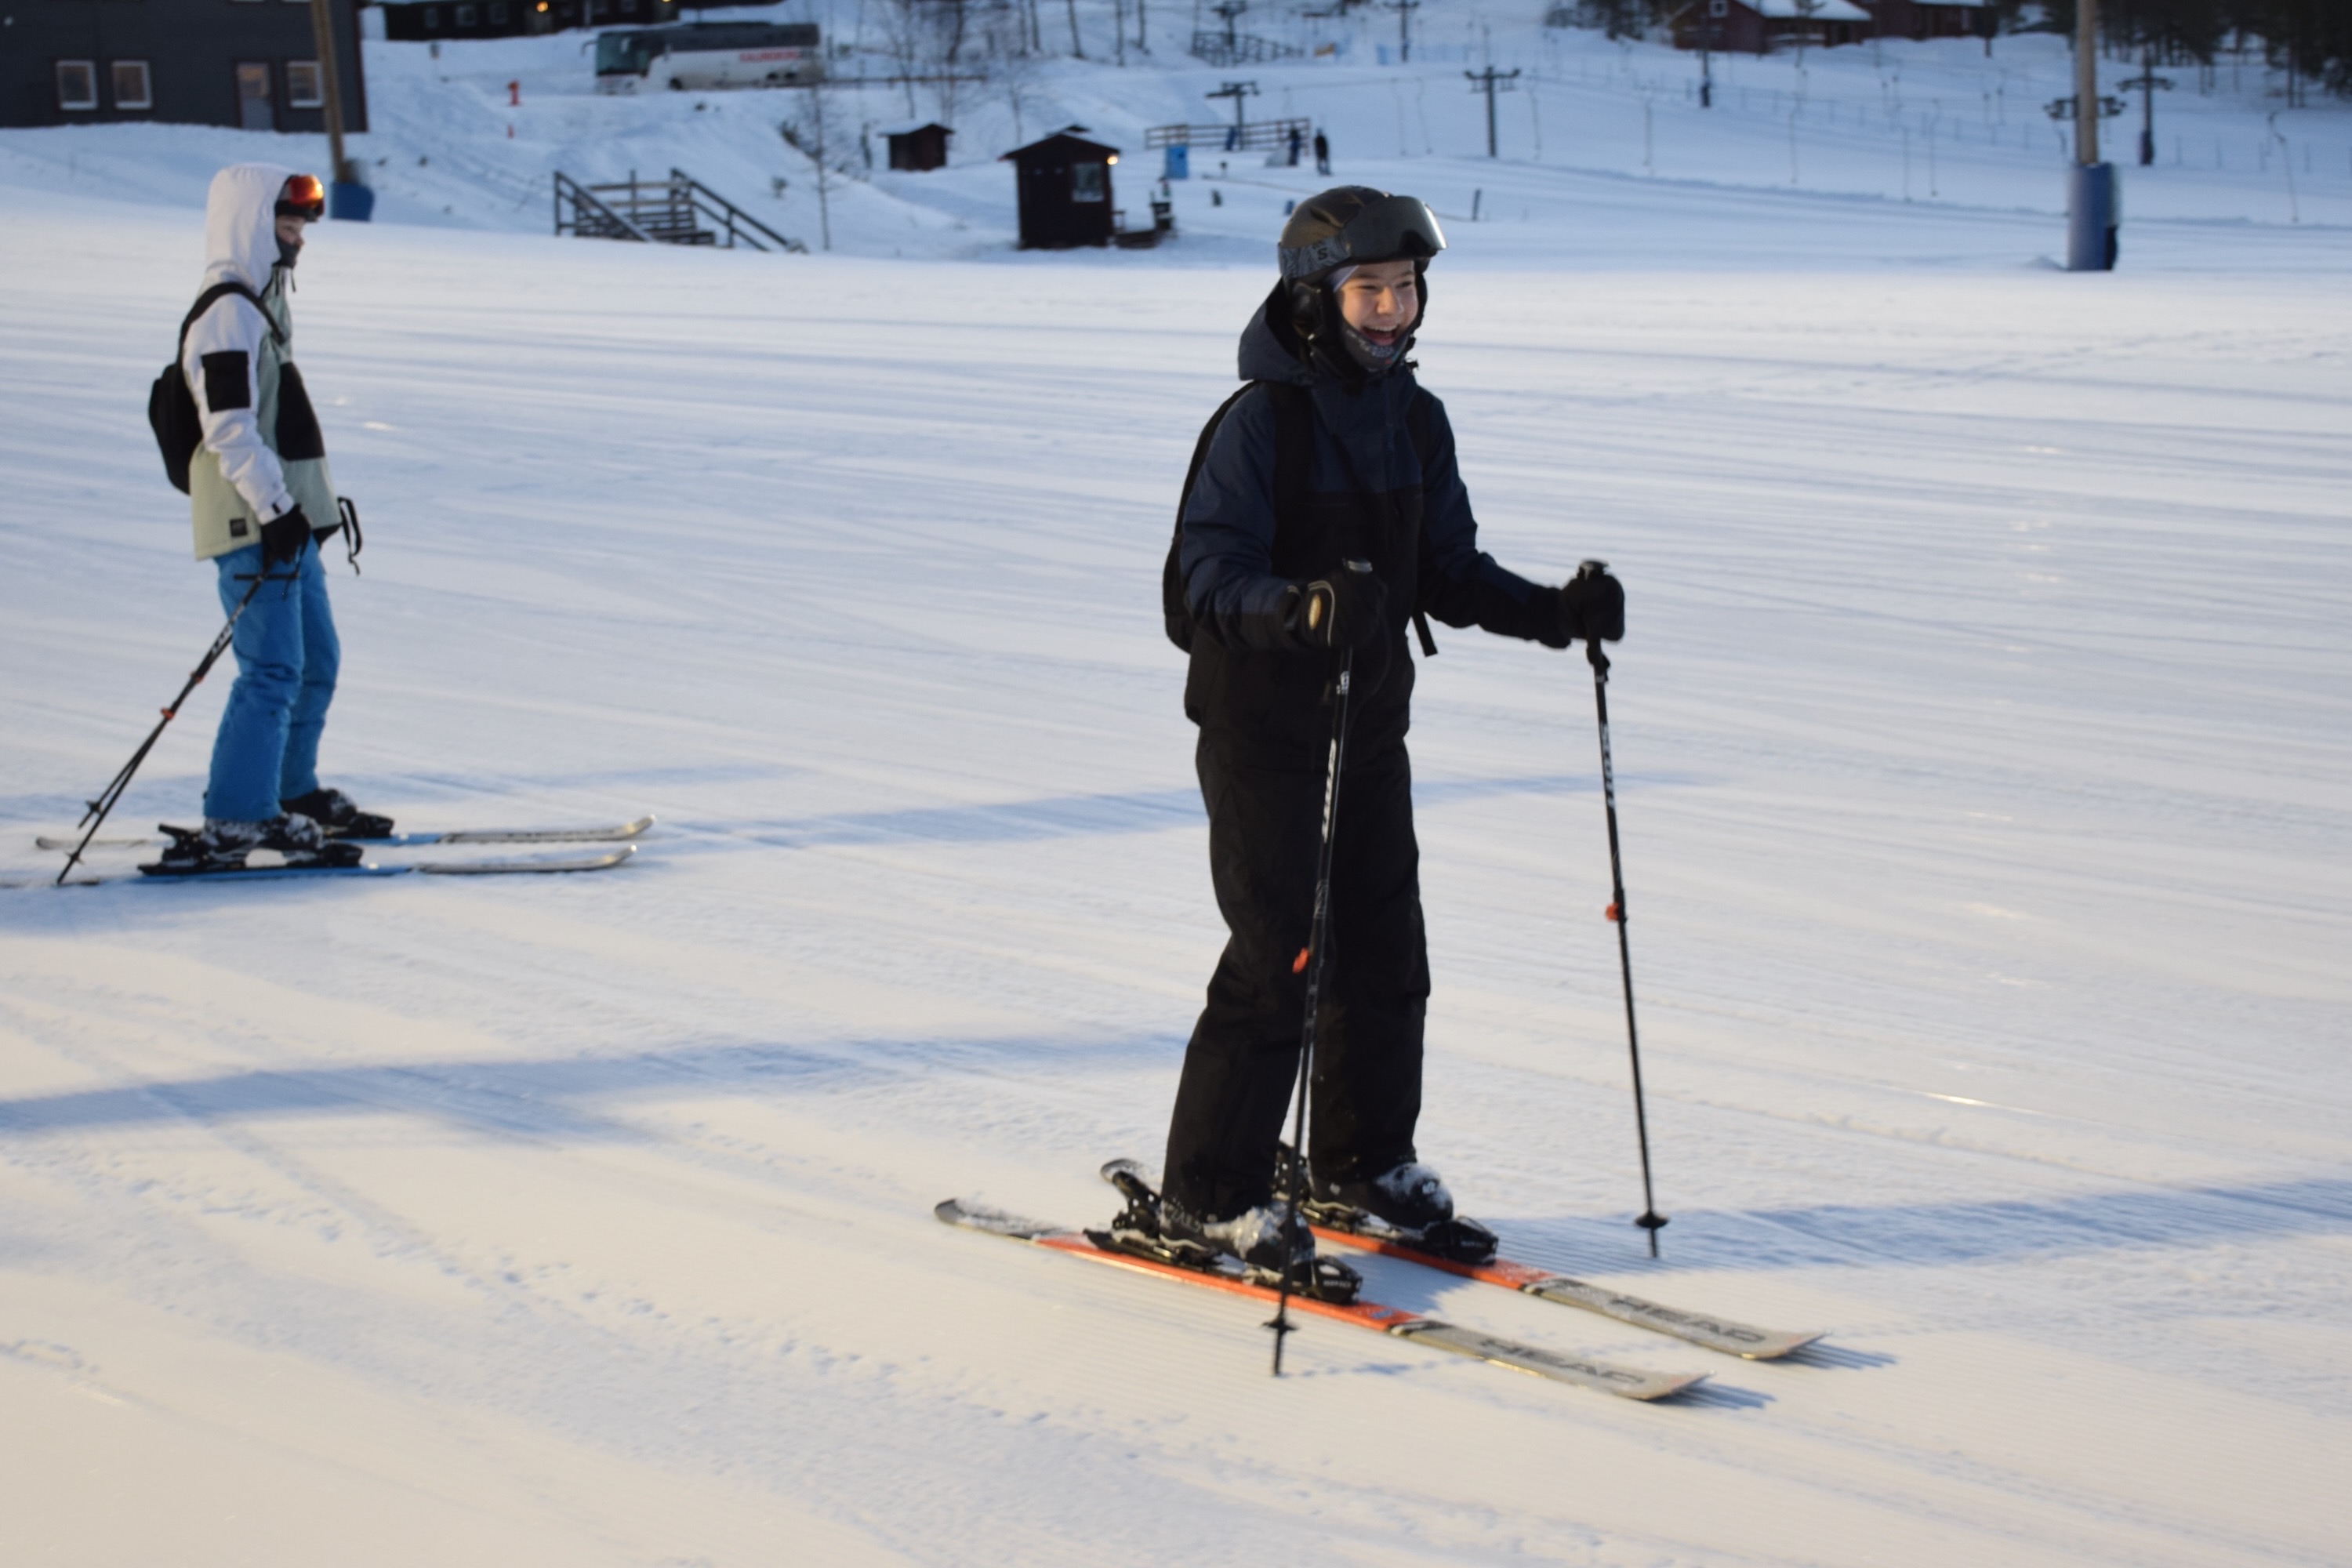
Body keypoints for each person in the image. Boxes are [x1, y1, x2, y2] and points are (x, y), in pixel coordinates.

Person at [1146, 187, 1624, 1275]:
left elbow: (1445, 572)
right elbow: (1201, 580)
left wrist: (1557, 611)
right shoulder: (1258, 422)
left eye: (1407, 289)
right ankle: (1207, 1194)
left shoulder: (1416, 419)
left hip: (1367, 734)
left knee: (1384, 958)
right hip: (1267, 733)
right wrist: (1298, 606)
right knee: (1281, 962)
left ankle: (1359, 1164)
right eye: (1371, 289)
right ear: (1317, 297)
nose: (1393, 311)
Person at [158, 163, 386, 873]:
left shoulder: (259, 304)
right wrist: (277, 509)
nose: (298, 240)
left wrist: (303, 509)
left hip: (282, 515)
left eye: (302, 228)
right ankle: (236, 816)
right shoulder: (226, 311)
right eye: (287, 226)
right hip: (253, 519)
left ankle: (289, 794)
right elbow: (229, 429)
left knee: (316, 660)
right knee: (271, 670)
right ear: (253, 224)